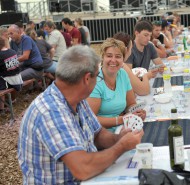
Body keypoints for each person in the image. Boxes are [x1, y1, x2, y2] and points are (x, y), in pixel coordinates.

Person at [18, 45, 144, 184]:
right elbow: (83, 169)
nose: (99, 80)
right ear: (87, 78)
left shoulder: (76, 98)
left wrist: (118, 138)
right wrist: (122, 146)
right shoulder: (51, 111)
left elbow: (98, 134)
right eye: (97, 76)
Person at [87, 38, 146, 132]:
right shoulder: (95, 82)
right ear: (102, 57)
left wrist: (137, 111)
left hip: (122, 128)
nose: (113, 60)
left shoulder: (123, 74)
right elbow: (91, 119)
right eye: (109, 56)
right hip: (101, 134)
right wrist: (121, 119)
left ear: (123, 59)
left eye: (118, 56)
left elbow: (130, 104)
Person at [0, 37, 23, 112]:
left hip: (9, 81)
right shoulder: (12, 51)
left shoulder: (1, 55)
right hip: (18, 80)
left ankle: (1, 108)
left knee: (1, 86)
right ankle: (12, 99)